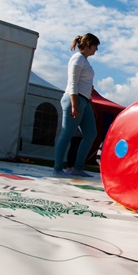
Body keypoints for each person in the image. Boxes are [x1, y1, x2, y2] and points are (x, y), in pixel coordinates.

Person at [53, 33, 99, 178]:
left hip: (84, 100)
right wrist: (74, 105)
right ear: (88, 44)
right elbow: (73, 83)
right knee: (67, 133)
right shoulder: (77, 58)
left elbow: (86, 85)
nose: (96, 49)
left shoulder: (85, 61)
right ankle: (58, 168)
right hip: (74, 98)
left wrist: (89, 103)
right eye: (95, 46)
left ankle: (77, 167)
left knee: (91, 133)